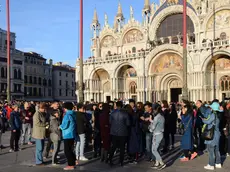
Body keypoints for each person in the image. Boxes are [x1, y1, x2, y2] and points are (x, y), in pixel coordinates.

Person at [109, 101, 130, 166]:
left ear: (116, 105)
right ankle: (121, 161)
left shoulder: (112, 113)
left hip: (114, 132)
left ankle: (110, 159)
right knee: (122, 148)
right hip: (123, 133)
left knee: (113, 146)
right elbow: (128, 123)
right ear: (122, 105)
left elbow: (110, 122)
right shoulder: (125, 113)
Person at [202, 102, 222, 170]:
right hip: (217, 134)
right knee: (217, 150)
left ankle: (211, 164)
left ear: (213, 109)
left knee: (211, 150)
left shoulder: (213, 115)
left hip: (212, 135)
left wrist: (203, 120)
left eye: (210, 107)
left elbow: (208, 122)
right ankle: (218, 163)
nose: (209, 108)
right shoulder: (219, 114)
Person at [60, 102, 76, 171]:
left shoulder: (67, 115)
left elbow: (64, 125)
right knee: (70, 149)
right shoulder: (73, 113)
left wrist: (60, 127)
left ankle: (70, 165)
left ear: (65, 108)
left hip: (67, 134)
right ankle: (74, 161)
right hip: (72, 133)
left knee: (67, 151)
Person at [149, 105, 166, 170]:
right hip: (160, 134)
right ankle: (157, 163)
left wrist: (150, 128)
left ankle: (162, 163)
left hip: (157, 134)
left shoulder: (156, 117)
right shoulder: (161, 116)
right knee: (156, 149)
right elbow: (157, 123)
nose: (153, 111)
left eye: (154, 110)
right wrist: (151, 121)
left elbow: (153, 127)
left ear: (156, 110)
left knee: (154, 150)